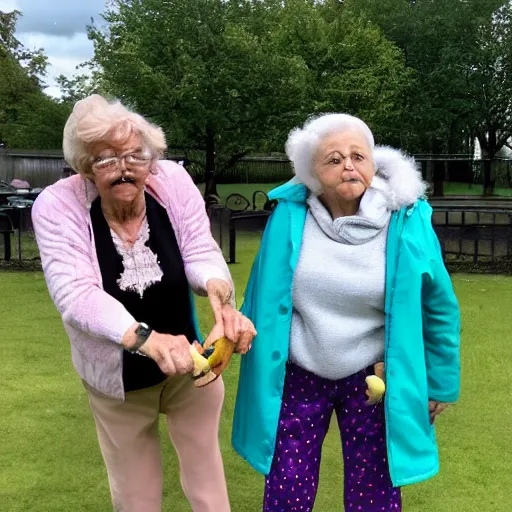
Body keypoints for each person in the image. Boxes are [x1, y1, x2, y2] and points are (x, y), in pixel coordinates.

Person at [32, 94, 255, 512]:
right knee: (137, 496)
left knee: (209, 484)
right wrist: (148, 341)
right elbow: (76, 294)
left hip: (192, 361)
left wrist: (222, 302)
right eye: (106, 159)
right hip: (119, 378)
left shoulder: (170, 181)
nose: (124, 168)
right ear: (84, 167)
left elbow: (200, 249)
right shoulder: (57, 206)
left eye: (135, 155)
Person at [232, 113, 460, 511]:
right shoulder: (289, 214)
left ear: (374, 164)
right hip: (299, 371)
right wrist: (232, 333)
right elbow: (261, 292)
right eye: (333, 159)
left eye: (358, 156)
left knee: (374, 490)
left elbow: (438, 305)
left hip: (374, 375)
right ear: (312, 173)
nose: (349, 165)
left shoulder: (407, 219)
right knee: (286, 486)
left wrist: (440, 382)